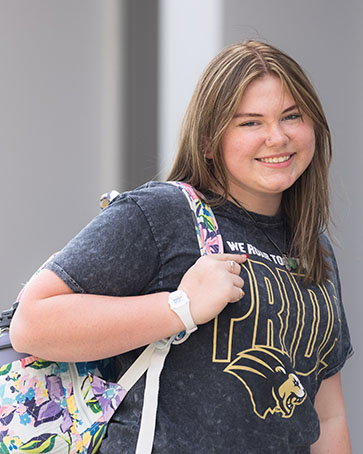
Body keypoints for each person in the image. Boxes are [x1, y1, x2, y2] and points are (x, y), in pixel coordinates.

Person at [10, 40, 353, 453]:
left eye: (291, 116)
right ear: (209, 141)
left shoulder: (314, 246)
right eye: (250, 123)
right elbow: (33, 323)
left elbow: (327, 413)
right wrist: (181, 306)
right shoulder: (166, 214)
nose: (276, 137)